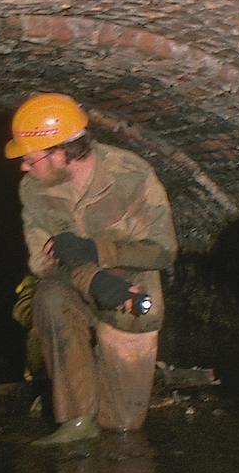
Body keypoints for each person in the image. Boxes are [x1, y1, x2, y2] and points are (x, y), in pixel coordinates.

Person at [10, 92, 175, 445]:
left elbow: (163, 252)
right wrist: (92, 279)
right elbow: (42, 262)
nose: (24, 166)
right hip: (71, 287)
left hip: (132, 292)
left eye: (30, 158)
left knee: (123, 426)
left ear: (59, 154)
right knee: (49, 298)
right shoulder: (33, 190)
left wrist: (95, 251)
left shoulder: (131, 174)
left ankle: (104, 407)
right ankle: (77, 418)